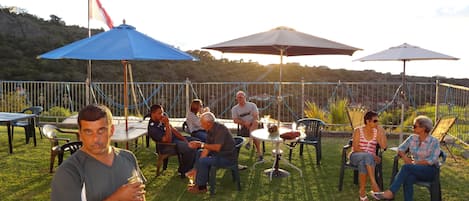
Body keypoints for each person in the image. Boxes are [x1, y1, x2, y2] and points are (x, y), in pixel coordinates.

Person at [51, 104, 146, 201]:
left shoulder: (128, 157)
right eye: (88, 132)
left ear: (112, 130)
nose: (95, 139)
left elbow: (140, 195)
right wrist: (116, 198)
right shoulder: (69, 171)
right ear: (80, 134)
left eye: (101, 131)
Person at [372, 115, 441, 201]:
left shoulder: (434, 141)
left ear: (423, 128)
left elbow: (432, 160)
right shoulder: (412, 138)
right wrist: (405, 158)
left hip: (429, 171)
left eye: (415, 126)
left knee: (406, 167)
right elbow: (400, 149)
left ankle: (390, 193)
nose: (413, 128)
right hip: (414, 169)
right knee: (408, 178)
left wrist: (414, 163)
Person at [186, 112, 236, 193]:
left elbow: (217, 147)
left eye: (202, 123)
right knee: (200, 152)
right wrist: (196, 168)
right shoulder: (210, 129)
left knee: (203, 161)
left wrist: (201, 144)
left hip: (227, 158)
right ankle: (197, 177)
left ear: (209, 123)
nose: (201, 125)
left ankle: (202, 188)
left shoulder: (220, 129)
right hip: (219, 154)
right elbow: (207, 148)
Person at [147, 104, 197, 176]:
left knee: (196, 141)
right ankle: (183, 171)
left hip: (175, 140)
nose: (162, 115)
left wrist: (184, 139)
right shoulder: (152, 128)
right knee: (190, 147)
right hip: (167, 146)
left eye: (162, 112)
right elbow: (168, 140)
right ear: (153, 114)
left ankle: (196, 167)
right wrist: (167, 124)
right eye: (159, 113)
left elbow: (174, 131)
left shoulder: (161, 119)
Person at [349, 111, 387, 201]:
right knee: (368, 157)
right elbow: (355, 147)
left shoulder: (376, 132)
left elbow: (384, 146)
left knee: (364, 162)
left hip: (368, 160)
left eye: (377, 121)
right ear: (367, 121)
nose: (377, 123)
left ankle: (362, 193)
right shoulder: (358, 130)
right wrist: (372, 156)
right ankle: (374, 184)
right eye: (375, 121)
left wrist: (382, 132)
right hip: (355, 156)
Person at [231, 90, 263, 162]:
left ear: (245, 97)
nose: (240, 99)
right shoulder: (235, 109)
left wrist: (250, 122)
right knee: (254, 133)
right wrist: (245, 123)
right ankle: (259, 154)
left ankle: (250, 142)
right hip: (245, 126)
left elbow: (256, 116)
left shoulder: (252, 105)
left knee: (255, 122)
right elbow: (235, 120)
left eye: (241, 97)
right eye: (238, 98)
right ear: (236, 98)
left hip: (254, 123)